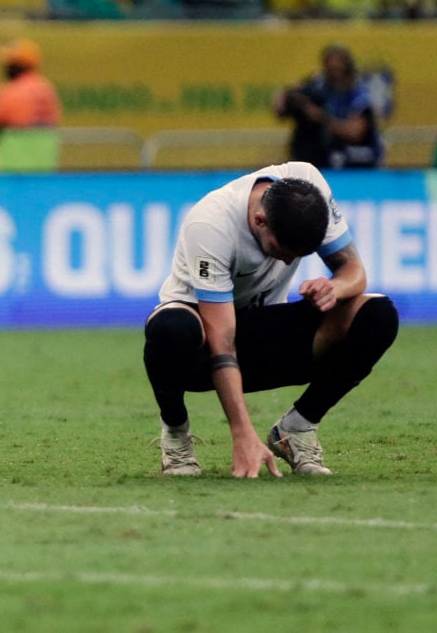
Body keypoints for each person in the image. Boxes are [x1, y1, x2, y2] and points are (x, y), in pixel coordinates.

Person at [144, 161, 398, 478]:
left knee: (378, 314)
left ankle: (297, 428)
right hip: (201, 350)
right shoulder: (211, 223)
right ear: (260, 220)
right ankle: (176, 432)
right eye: (282, 250)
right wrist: (242, 433)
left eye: (299, 255)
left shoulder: (307, 185)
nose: (289, 261)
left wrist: (334, 288)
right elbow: (222, 342)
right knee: (172, 329)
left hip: (262, 335)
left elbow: (354, 272)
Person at [272, 44, 384, 169]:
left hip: (359, 152)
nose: (335, 74)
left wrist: (320, 117)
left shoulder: (358, 93)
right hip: (326, 152)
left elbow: (355, 133)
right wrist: (288, 98)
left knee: (336, 156)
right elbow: (283, 101)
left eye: (339, 69)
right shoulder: (318, 84)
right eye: (330, 69)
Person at [0, 37, 62, 172]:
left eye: (9, 62)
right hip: (45, 162)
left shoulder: (9, 90)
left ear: (18, 65)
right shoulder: (46, 88)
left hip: (13, 166)